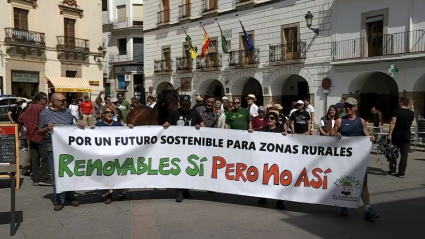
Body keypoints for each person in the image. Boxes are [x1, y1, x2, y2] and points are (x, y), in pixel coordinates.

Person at [331, 97, 379, 221]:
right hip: (344, 159)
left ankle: (368, 209)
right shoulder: (339, 121)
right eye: (346, 106)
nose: (348, 108)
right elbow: (330, 135)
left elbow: (366, 134)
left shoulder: (361, 121)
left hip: (358, 159)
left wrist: (371, 138)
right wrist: (335, 134)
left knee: (363, 184)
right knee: (344, 182)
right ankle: (344, 205)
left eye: (351, 106)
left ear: (356, 108)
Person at [38, 93, 79, 211]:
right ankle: (58, 200)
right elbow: (39, 131)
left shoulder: (67, 112)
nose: (64, 102)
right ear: (53, 102)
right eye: (61, 101)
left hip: (69, 148)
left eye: (65, 100)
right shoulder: (45, 114)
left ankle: (70, 196)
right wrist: (46, 128)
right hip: (53, 149)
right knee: (57, 175)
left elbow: (72, 127)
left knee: (71, 172)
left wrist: (80, 127)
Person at [85, 105, 132, 203]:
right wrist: (89, 128)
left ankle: (121, 193)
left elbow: (126, 134)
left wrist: (130, 127)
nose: (109, 113)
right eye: (107, 112)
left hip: (117, 153)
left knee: (119, 174)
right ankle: (108, 194)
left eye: (111, 112)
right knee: (107, 174)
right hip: (104, 153)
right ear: (103, 114)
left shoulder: (118, 124)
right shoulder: (99, 125)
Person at [163, 95, 204, 202]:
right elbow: (167, 124)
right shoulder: (174, 113)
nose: (185, 106)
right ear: (180, 104)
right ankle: (180, 191)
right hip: (178, 147)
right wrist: (165, 126)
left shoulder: (194, 113)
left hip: (191, 147)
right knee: (180, 168)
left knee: (188, 169)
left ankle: (185, 190)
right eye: (183, 104)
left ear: (190, 104)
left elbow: (202, 125)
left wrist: (199, 127)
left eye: (187, 104)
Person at [252, 110, 287, 209]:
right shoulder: (263, 130)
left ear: (276, 120)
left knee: (278, 179)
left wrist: (286, 135)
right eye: (268, 118)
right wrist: (251, 132)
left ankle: (280, 201)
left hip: (278, 159)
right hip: (265, 159)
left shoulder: (280, 131)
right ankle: (263, 197)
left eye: (272, 118)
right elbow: (253, 138)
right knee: (264, 178)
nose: (269, 119)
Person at [18, 93, 51, 185]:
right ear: (41, 99)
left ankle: (36, 179)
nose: (46, 101)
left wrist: (28, 124)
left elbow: (20, 119)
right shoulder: (42, 109)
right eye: (45, 99)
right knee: (45, 158)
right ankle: (44, 178)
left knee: (34, 159)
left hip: (30, 136)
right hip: (41, 135)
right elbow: (47, 120)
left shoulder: (29, 108)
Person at [388, 97, 414, 178]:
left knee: (393, 151)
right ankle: (401, 171)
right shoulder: (411, 113)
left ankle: (393, 168)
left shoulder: (396, 111)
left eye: (399, 101)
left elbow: (393, 122)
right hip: (406, 135)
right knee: (404, 154)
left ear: (401, 102)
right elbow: (410, 123)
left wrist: (390, 134)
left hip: (396, 134)